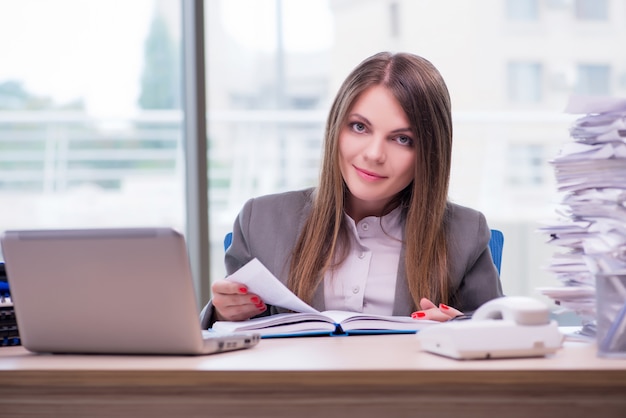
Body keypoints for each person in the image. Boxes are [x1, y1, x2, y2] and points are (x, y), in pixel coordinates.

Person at [200, 51, 503, 329]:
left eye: (402, 139)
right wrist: (223, 312)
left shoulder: (465, 233)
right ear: (336, 128)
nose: (373, 154)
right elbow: (225, 335)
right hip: (296, 388)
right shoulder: (261, 220)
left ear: (430, 153)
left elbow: (498, 335)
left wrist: (463, 328)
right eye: (360, 127)